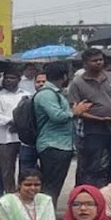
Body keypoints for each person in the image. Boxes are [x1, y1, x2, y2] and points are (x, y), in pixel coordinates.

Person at [69, 48, 111, 187]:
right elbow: (76, 110)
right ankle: (87, 191)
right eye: (94, 60)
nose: (98, 63)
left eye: (100, 60)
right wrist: (99, 119)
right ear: (85, 63)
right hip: (93, 129)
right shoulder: (78, 83)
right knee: (92, 165)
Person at [34, 62, 79, 204]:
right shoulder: (47, 94)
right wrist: (75, 112)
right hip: (53, 145)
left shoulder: (55, 93)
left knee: (54, 185)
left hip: (61, 145)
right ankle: (46, 213)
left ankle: (48, 211)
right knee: (50, 187)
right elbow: (57, 116)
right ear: (64, 76)